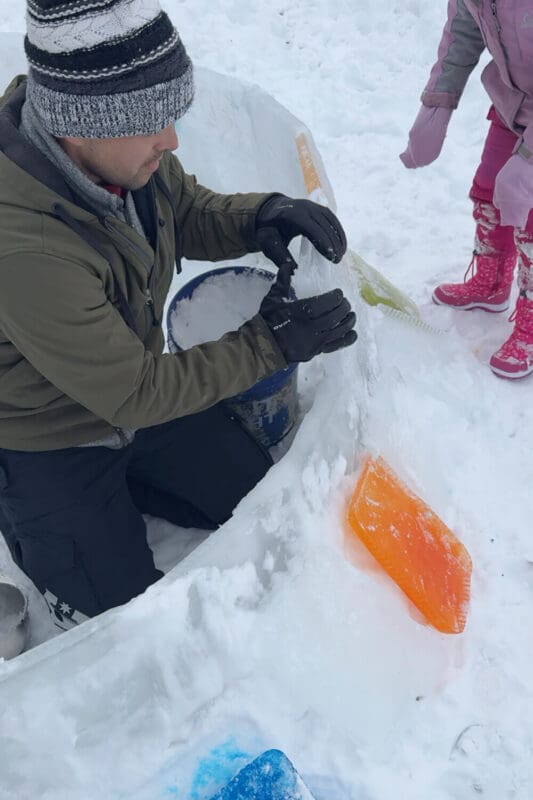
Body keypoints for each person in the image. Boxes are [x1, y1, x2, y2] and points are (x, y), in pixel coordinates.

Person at [0, 0, 357, 631]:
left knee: (255, 492)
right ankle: (40, 524)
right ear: (81, 125)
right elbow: (135, 390)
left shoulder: (116, 160)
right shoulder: (26, 247)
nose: (171, 140)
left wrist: (260, 214)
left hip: (129, 396)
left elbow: (184, 209)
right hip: (52, 439)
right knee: (127, 624)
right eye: (152, 124)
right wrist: (270, 344)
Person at [400, 0, 533, 380]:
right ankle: (491, 284)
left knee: (528, 209)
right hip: (514, 101)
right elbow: (463, 32)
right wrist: (436, 106)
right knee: (491, 191)